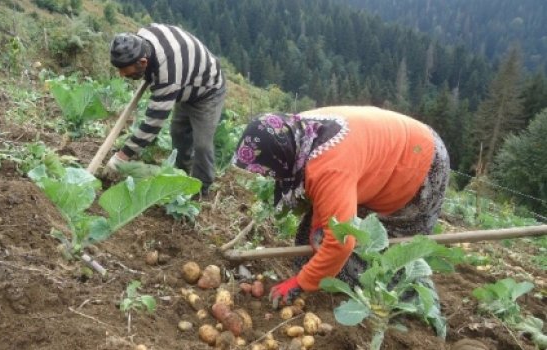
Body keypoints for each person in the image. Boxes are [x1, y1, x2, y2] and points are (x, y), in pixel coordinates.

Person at [232, 106, 450, 307]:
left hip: (420, 162)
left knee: (388, 253)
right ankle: (323, 278)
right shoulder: (298, 132)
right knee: (315, 233)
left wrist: (300, 283)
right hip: (392, 147)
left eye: (267, 170)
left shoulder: (329, 169)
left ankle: (418, 300)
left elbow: (341, 242)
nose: (267, 176)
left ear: (281, 156)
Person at [105, 24, 226, 196]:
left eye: (126, 70)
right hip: (186, 81)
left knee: (202, 144)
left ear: (143, 62)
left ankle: (201, 189)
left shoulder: (168, 76)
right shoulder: (142, 37)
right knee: (178, 132)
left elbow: (153, 124)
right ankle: (182, 173)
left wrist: (122, 157)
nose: (122, 75)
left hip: (207, 91)